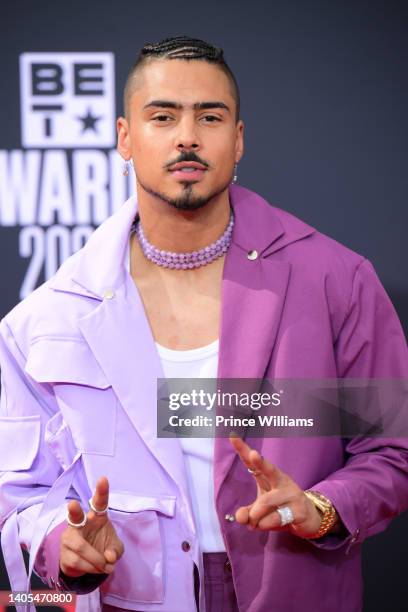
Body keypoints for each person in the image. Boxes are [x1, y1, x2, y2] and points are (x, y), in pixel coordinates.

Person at [0, 35, 407, 612]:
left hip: (294, 590)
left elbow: (390, 451)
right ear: (124, 138)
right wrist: (58, 543)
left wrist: (321, 509)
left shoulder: (336, 280)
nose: (187, 135)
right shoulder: (46, 317)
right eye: (162, 116)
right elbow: (20, 495)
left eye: (209, 116)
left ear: (238, 140)